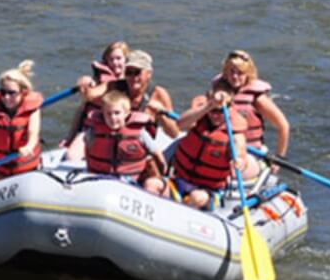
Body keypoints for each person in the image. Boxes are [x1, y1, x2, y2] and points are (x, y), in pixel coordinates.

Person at [165, 81, 248, 209]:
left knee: (197, 198)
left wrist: (239, 160)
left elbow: (240, 148)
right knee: (153, 185)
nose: (215, 115)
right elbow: (180, 123)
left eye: (220, 112)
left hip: (207, 190)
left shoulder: (234, 131)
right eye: (212, 111)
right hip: (179, 180)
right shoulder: (200, 117)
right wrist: (209, 105)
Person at [213, 50, 289, 177]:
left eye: (240, 73)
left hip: (250, 152)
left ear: (248, 74)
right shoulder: (218, 90)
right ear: (225, 72)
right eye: (231, 71)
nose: (235, 76)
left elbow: (283, 126)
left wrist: (278, 158)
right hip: (221, 146)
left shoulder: (257, 99)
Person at [85, 90, 166, 194]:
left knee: (152, 185)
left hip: (133, 179)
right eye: (108, 114)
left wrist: (162, 173)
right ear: (102, 114)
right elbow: (88, 152)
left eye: (117, 113)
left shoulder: (140, 133)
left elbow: (157, 154)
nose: (113, 118)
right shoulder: (93, 131)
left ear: (126, 113)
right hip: (103, 177)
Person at [62, 41, 130, 161]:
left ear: (126, 59)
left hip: (122, 129)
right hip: (94, 128)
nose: (115, 63)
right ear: (106, 62)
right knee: (71, 156)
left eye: (119, 58)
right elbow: (82, 109)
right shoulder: (96, 82)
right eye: (111, 59)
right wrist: (70, 137)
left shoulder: (132, 81)